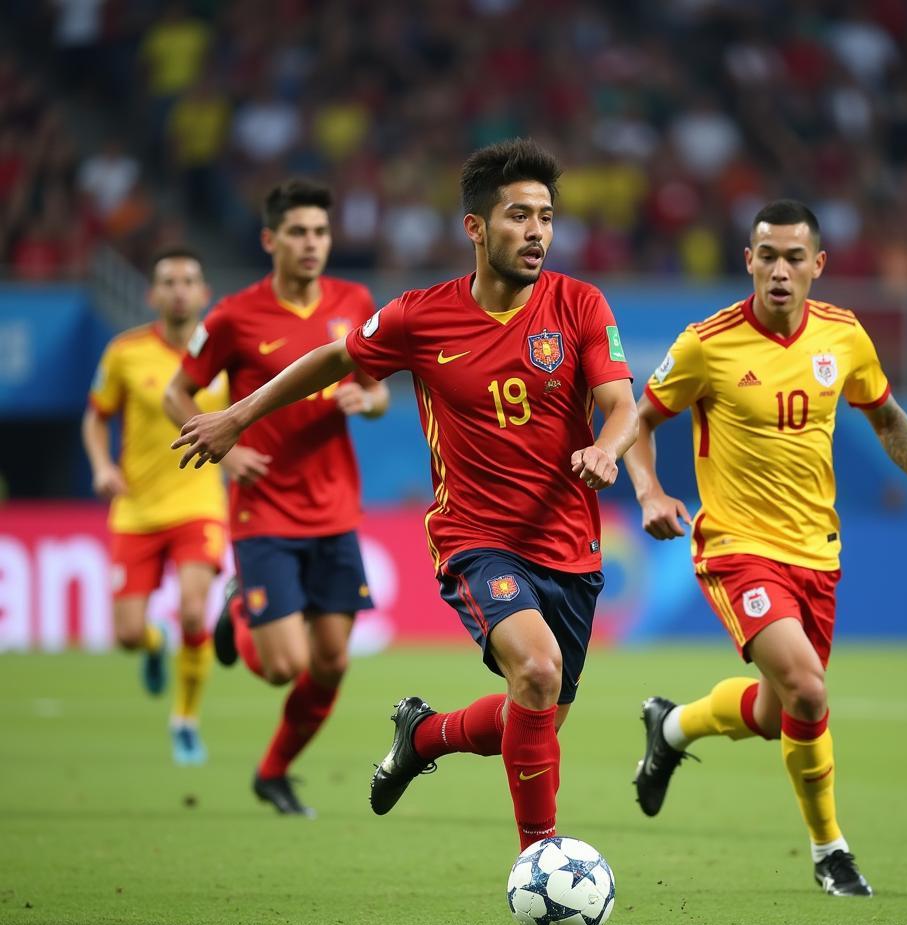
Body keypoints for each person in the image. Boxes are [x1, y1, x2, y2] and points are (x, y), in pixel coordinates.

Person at [172, 138, 639, 850]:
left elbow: (621, 405)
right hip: (477, 539)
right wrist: (236, 417)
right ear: (476, 228)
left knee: (535, 711)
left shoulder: (578, 303)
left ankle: (423, 737)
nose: (538, 231)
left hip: (570, 546)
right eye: (519, 215)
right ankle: (539, 862)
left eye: (546, 215)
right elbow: (334, 357)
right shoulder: (421, 317)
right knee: (537, 672)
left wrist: (606, 449)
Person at [625, 199, 907, 896]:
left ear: (818, 266)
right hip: (737, 547)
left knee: (782, 711)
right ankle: (829, 849)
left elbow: (886, 414)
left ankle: (674, 726)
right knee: (808, 688)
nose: (780, 270)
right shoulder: (706, 344)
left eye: (793, 257)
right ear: (748, 260)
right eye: (767, 256)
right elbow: (638, 416)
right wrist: (651, 493)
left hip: (818, 553)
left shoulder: (844, 336)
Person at [163, 179, 388, 817]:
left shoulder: (355, 301)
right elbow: (176, 393)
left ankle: (274, 771)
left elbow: (376, 390)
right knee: (285, 665)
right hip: (264, 508)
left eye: (319, 232)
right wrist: (227, 451)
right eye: (298, 232)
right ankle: (237, 607)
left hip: (335, 507)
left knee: (333, 660)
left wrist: (365, 400)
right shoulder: (233, 316)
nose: (311, 243)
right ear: (271, 240)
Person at [83, 246, 226, 765]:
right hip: (137, 508)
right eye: (169, 281)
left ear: (204, 293)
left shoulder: (223, 353)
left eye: (189, 280)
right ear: (153, 294)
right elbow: (96, 417)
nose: (179, 289)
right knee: (125, 633)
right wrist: (102, 465)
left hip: (199, 503)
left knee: (194, 611)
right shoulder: (125, 353)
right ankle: (150, 643)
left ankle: (185, 719)